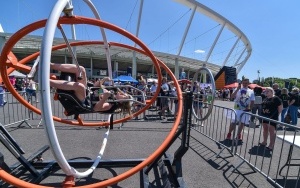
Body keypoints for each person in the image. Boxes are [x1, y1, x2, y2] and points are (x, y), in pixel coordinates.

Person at [35, 63, 132, 114]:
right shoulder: (111, 93)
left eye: (124, 96)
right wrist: (103, 81)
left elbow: (97, 108)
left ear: (121, 102)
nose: (122, 93)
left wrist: (104, 98)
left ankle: (43, 80)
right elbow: (96, 88)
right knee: (81, 69)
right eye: (124, 93)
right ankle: (49, 64)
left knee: (79, 86)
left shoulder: (110, 105)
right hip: (88, 93)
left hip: (86, 102)